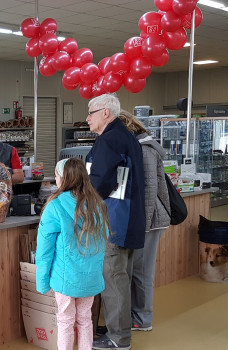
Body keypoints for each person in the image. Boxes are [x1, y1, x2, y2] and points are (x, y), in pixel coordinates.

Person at [86, 94, 145, 350]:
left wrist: (80, 200)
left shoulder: (109, 140)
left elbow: (100, 182)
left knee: (114, 280)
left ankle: (118, 338)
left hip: (114, 220)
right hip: (129, 218)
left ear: (106, 113)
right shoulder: (129, 138)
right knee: (122, 276)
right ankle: (117, 330)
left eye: (91, 112)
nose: (87, 118)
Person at [36, 158, 109, 350]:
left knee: (65, 321)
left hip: (65, 278)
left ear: (64, 178)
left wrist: (42, 282)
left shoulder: (55, 206)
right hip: (90, 277)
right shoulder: (97, 204)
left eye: (57, 175)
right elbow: (104, 238)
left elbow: (44, 250)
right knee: (86, 319)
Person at [117, 110, 171, 332]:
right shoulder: (135, 146)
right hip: (141, 218)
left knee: (141, 271)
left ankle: (142, 318)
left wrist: (144, 224)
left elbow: (149, 191)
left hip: (149, 219)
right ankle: (136, 314)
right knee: (135, 270)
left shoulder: (145, 150)